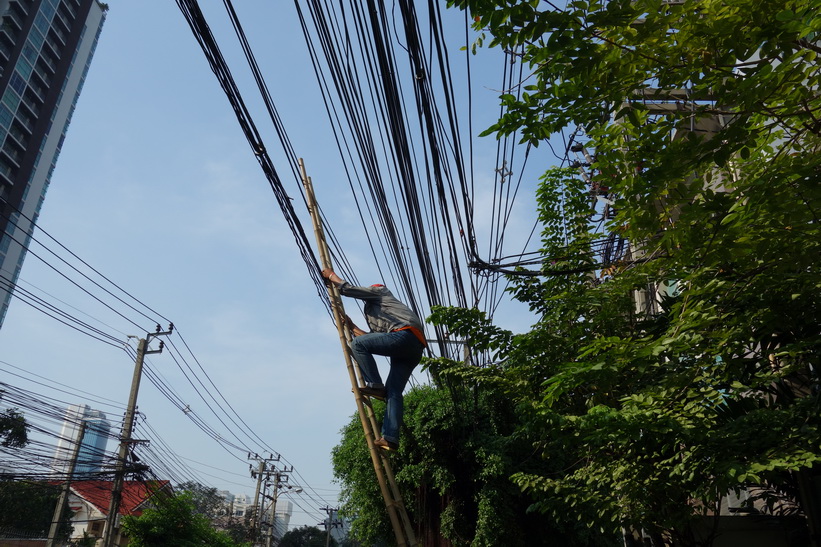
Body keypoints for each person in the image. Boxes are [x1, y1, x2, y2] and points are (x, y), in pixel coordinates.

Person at [321, 268, 426, 451]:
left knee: (358, 345)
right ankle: (390, 438)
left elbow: (346, 289)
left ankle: (375, 385)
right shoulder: (383, 314)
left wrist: (331, 276)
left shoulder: (381, 291)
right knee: (393, 392)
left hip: (405, 336)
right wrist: (352, 327)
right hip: (413, 347)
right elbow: (375, 339)